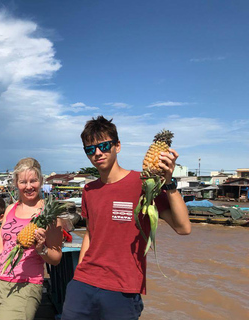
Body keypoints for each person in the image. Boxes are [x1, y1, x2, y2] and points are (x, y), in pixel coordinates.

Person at [61, 116, 191, 320]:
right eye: (90, 149)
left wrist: (169, 183)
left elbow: (183, 228)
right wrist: (78, 275)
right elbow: (90, 234)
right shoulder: (89, 189)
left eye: (103, 145)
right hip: (83, 284)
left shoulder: (144, 184)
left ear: (117, 146)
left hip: (123, 289)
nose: (97, 153)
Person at [0, 157, 63, 320]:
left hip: (24, 286)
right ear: (16, 183)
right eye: (23, 182)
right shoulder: (10, 208)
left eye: (33, 181)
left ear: (41, 180)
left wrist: (41, 249)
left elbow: (56, 258)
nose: (29, 186)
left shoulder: (48, 215)